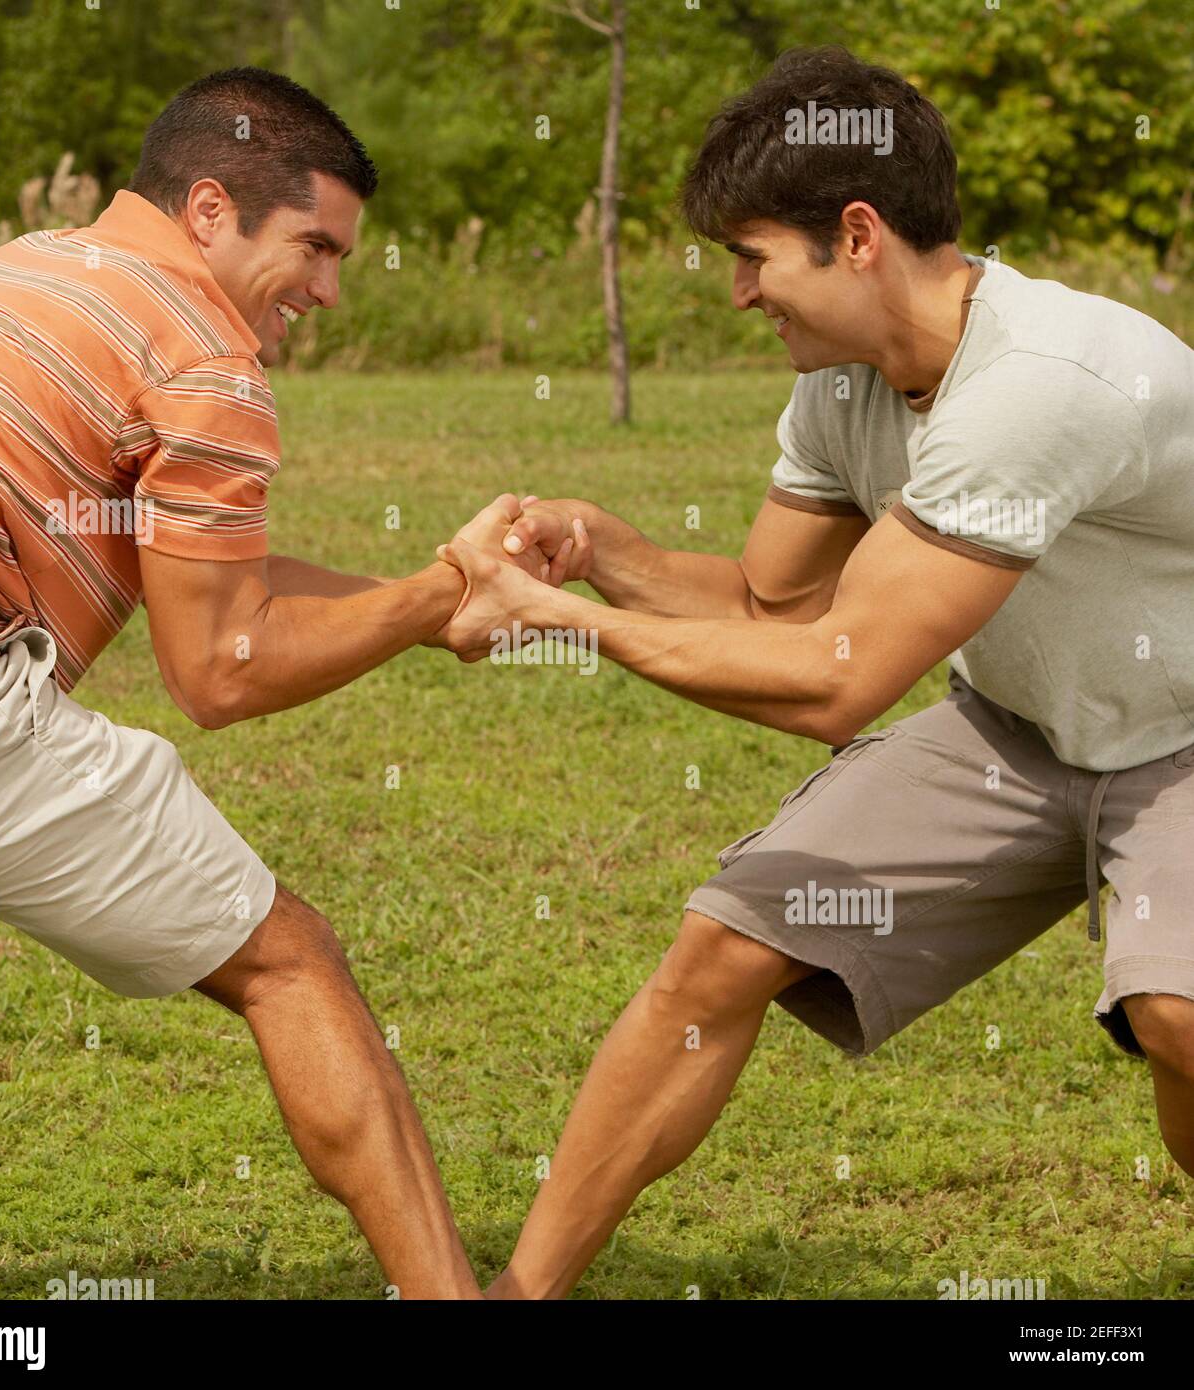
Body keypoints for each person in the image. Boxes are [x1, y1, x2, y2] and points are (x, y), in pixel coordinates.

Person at [432, 45, 1194, 1299]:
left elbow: (834, 683)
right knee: (719, 953)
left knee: (1176, 1020)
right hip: (1017, 730)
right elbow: (768, 600)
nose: (738, 293)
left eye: (751, 256)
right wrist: (596, 551)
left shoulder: (1038, 384)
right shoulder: (847, 385)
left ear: (855, 235)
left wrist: (554, 625)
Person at [0, 67, 564, 1299]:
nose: (327, 290)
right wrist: (442, 593)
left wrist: (422, 600)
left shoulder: (14, 274)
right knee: (293, 959)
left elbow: (213, 574)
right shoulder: (203, 353)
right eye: (314, 247)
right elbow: (219, 669)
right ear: (211, 210)